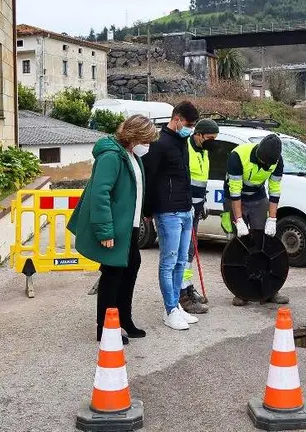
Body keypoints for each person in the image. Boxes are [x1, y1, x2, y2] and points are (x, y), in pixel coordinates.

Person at [67, 114, 158, 344]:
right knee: (112, 276)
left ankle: (124, 320)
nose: (147, 146)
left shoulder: (130, 154)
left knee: (129, 269)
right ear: (133, 136)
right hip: (115, 229)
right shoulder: (111, 156)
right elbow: (100, 194)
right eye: (145, 140)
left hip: (129, 228)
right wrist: (104, 231)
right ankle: (105, 328)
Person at [142, 101, 200, 331]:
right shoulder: (160, 144)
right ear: (176, 119)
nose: (191, 129)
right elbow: (150, 178)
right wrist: (148, 211)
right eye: (189, 124)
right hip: (168, 212)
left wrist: (192, 206)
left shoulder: (182, 142)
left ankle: (176, 305)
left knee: (180, 262)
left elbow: (183, 176)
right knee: (168, 262)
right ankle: (169, 309)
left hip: (186, 210)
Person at [221, 133, 289, 306]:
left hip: (257, 197)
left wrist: (272, 218)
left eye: (270, 164)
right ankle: (241, 291)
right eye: (265, 162)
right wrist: (239, 220)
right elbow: (235, 191)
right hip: (235, 197)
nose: (267, 166)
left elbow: (274, 190)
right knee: (241, 243)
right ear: (259, 154)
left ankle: (269, 290)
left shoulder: (276, 162)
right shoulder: (238, 156)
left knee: (264, 240)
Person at [179, 118, 220, 315]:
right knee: (183, 251)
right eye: (210, 137)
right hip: (183, 209)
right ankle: (182, 294)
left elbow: (200, 182)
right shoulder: (185, 149)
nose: (213, 141)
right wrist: (188, 204)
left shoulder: (204, 151)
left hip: (195, 208)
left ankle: (187, 287)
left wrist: (201, 203)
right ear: (198, 135)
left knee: (190, 252)